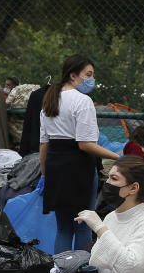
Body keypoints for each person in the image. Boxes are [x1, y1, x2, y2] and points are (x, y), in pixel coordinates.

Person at [40, 54, 120, 253]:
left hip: (55, 167)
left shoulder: (49, 101)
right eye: (88, 74)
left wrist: (44, 173)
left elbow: (44, 144)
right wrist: (118, 157)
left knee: (63, 228)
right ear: (73, 75)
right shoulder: (83, 101)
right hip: (78, 168)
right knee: (84, 224)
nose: (91, 79)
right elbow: (85, 144)